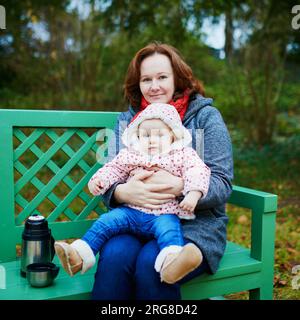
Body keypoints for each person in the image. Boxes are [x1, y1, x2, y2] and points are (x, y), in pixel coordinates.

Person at [77, 42, 233, 300]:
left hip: (195, 226)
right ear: (137, 84)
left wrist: (180, 188)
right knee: (115, 256)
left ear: (177, 78)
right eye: (146, 79)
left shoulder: (205, 117)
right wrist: (123, 192)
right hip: (133, 218)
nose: (154, 86)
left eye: (162, 77)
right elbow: (111, 173)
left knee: (152, 264)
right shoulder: (128, 121)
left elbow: (222, 183)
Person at [54, 103, 211, 284]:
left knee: (169, 232)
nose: (152, 140)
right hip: (131, 212)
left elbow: (198, 171)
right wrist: (100, 181)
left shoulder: (183, 154)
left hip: (163, 213)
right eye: (145, 135)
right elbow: (114, 168)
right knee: (106, 222)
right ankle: (79, 255)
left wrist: (193, 194)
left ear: (173, 135)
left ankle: (172, 263)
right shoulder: (132, 154)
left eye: (159, 135)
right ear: (136, 136)